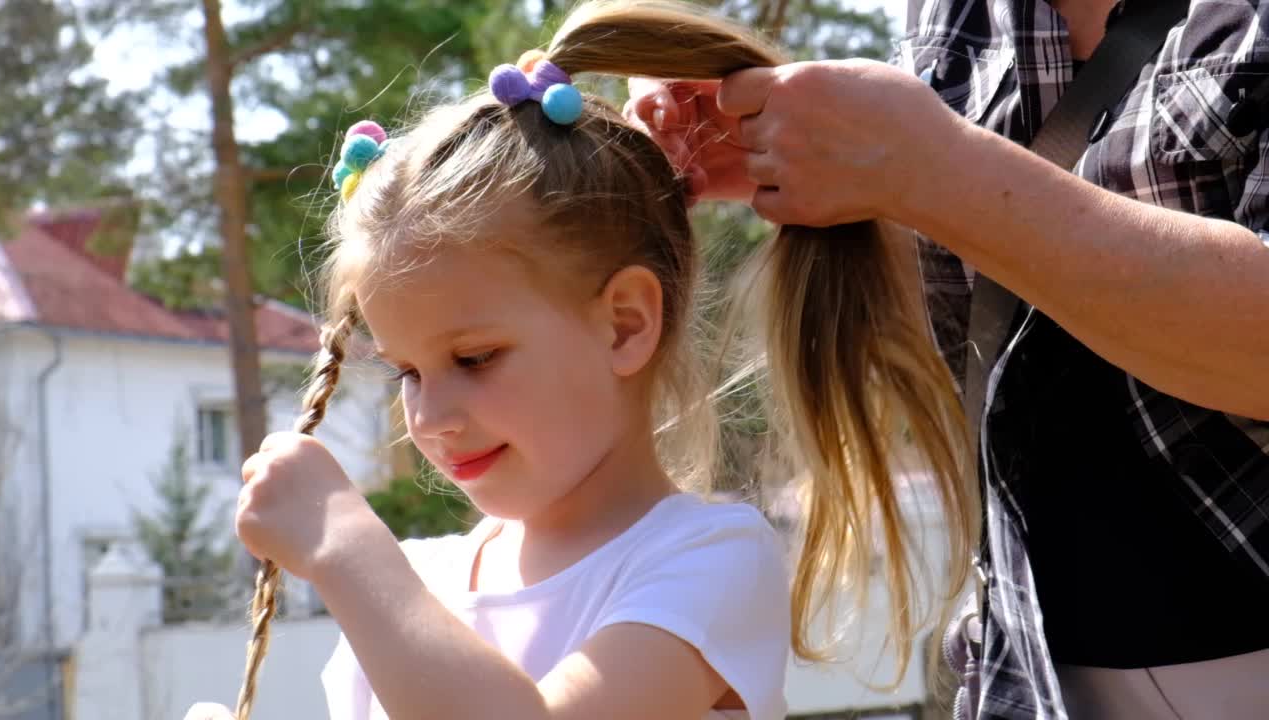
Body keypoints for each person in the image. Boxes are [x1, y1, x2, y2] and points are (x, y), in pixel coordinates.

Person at [182, 3, 985, 719]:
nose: (430, 416)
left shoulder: (705, 562)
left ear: (624, 325)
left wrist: (348, 551)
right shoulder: (419, 586)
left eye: (475, 356)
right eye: (408, 373)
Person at [625, 0, 1269, 718]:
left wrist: (928, 168)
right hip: (1022, 675)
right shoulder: (954, 14)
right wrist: (808, 163)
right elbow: (989, 334)